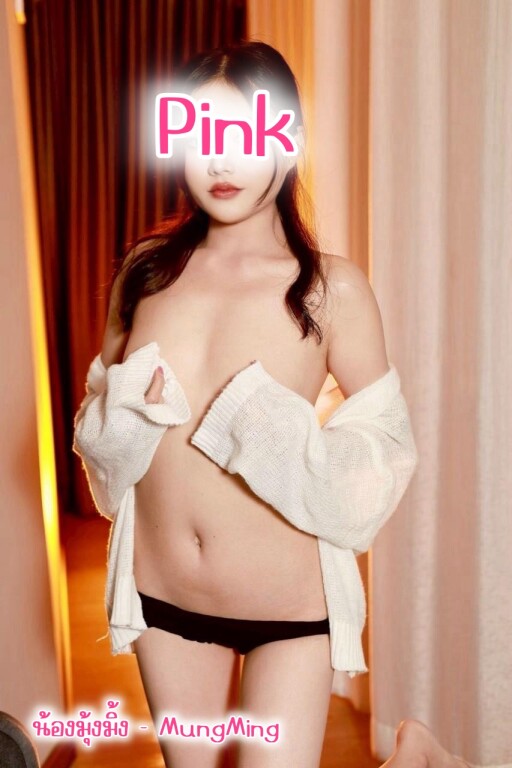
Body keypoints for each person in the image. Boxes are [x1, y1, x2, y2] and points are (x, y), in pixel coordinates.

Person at [72, 40, 468, 768]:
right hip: (163, 599)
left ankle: (414, 757)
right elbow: (101, 459)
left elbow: (386, 452)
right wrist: (123, 415)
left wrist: (268, 433)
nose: (220, 159)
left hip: (288, 612)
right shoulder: (145, 273)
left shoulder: (329, 289)